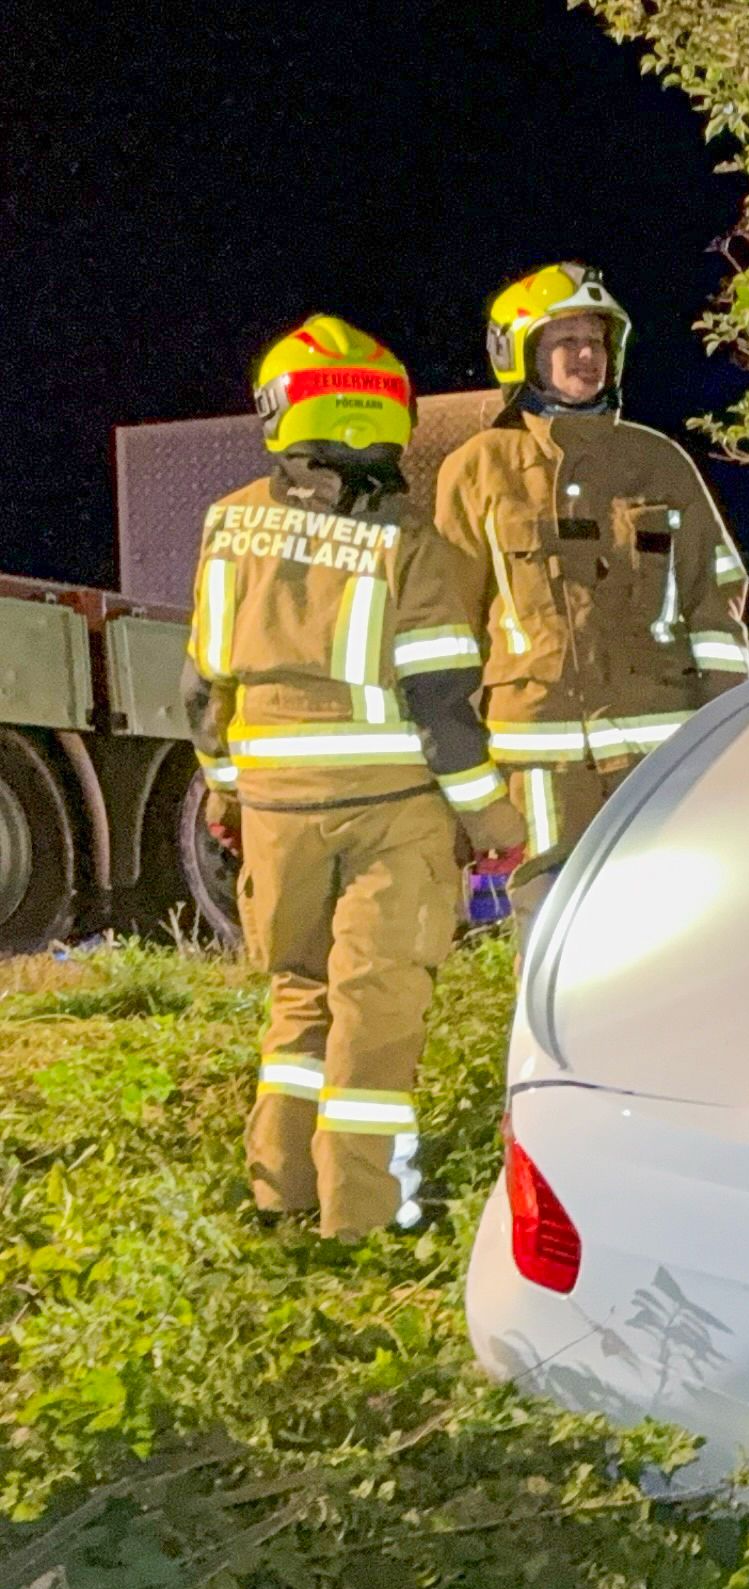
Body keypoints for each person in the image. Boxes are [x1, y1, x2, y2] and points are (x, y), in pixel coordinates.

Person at [188, 318, 524, 1240]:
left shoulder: (229, 524)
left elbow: (201, 687)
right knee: (375, 1016)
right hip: (390, 819)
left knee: (298, 994)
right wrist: (492, 819)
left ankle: (279, 1189)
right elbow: (443, 707)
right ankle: (365, 1221)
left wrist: (225, 789)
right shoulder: (407, 539)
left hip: (276, 817)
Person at [431, 263, 749, 905]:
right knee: (549, 926)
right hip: (538, 770)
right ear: (523, 356)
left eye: (596, 343)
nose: (586, 356)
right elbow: (447, 627)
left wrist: (728, 736)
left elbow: (716, 606)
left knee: (661, 922)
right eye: (565, 342)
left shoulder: (658, 462)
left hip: (655, 759)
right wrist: (463, 773)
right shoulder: (477, 470)